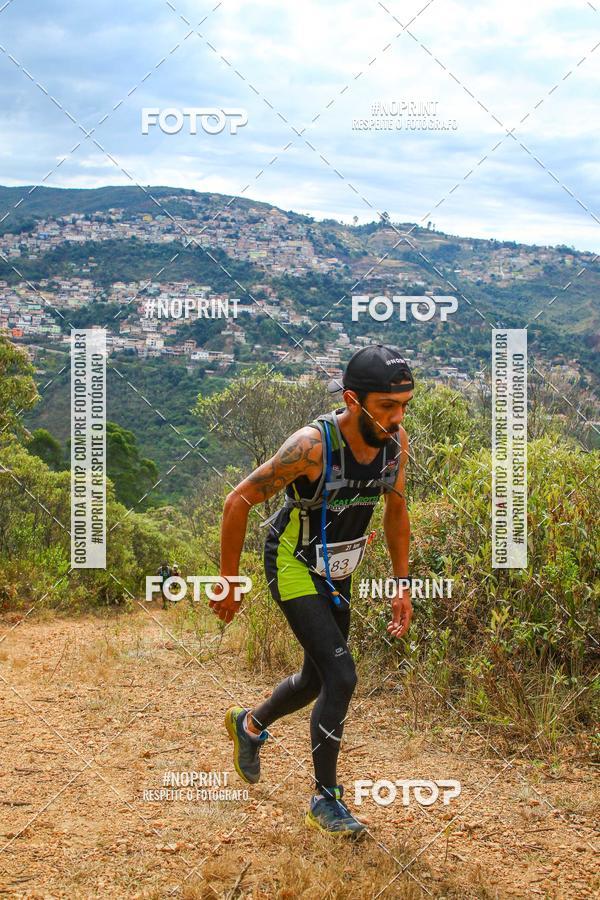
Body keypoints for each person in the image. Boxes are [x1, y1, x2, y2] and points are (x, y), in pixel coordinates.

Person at [214, 344, 414, 836]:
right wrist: (230, 580)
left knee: (315, 680)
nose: (396, 417)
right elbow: (237, 500)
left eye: (404, 405)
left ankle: (251, 725)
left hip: (338, 570)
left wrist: (402, 586)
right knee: (341, 675)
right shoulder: (312, 447)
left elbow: (397, 513)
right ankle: (326, 799)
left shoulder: (395, 445)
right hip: (293, 562)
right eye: (387, 406)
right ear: (352, 400)